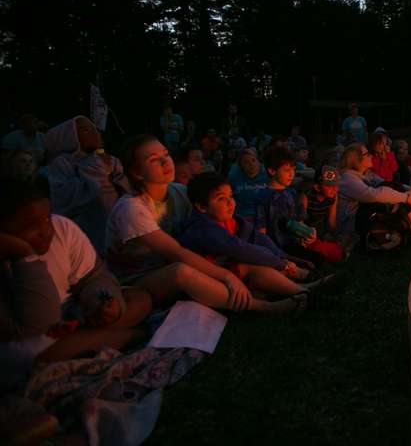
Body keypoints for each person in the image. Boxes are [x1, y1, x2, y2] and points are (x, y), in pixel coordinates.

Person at [106, 135, 294, 313]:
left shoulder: (178, 192)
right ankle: (260, 306)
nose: (166, 162)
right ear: (137, 172)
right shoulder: (131, 209)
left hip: (176, 262)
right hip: (138, 282)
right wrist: (226, 276)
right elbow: (177, 253)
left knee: (237, 260)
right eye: (154, 160)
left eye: (166, 155)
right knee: (181, 271)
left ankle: (299, 289)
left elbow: (214, 225)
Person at [0, 180, 151, 384]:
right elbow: (35, 326)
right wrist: (24, 255)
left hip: (73, 317)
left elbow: (93, 276)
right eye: (30, 226)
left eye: (46, 219)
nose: (46, 231)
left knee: (139, 298)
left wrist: (101, 300)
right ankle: (130, 336)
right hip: (31, 340)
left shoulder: (62, 228)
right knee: (41, 357)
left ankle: (96, 337)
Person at [179, 173, 331, 302]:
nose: (230, 202)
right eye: (221, 199)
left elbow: (258, 238)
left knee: (262, 261)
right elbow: (241, 249)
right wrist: (279, 263)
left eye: (230, 196)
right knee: (252, 266)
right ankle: (303, 291)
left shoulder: (231, 220)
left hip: (225, 269)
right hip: (205, 280)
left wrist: (281, 258)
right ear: (202, 207)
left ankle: (302, 281)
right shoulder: (203, 229)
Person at [44, 116, 129, 255]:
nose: (94, 133)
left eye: (94, 129)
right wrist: (93, 167)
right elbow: (65, 197)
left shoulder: (110, 159)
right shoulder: (62, 163)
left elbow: (125, 187)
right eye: (84, 130)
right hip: (87, 227)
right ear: (70, 136)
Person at [256, 146, 343, 265]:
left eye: (293, 169)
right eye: (287, 170)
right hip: (277, 246)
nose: (292, 174)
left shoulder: (292, 193)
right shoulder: (264, 196)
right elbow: (262, 230)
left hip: (295, 242)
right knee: (315, 260)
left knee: (330, 254)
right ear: (272, 171)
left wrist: (309, 233)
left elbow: (299, 220)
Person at [337, 143, 411, 237]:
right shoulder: (347, 178)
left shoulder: (366, 173)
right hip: (352, 224)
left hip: (366, 217)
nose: (370, 156)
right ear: (356, 159)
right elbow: (374, 195)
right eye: (366, 154)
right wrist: (406, 197)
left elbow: (387, 183)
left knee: (391, 188)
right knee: (385, 196)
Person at [228, 148, 268, 222]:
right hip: (242, 217)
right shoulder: (234, 177)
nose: (251, 164)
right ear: (241, 166)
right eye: (246, 162)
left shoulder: (267, 175)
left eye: (253, 160)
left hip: (264, 217)